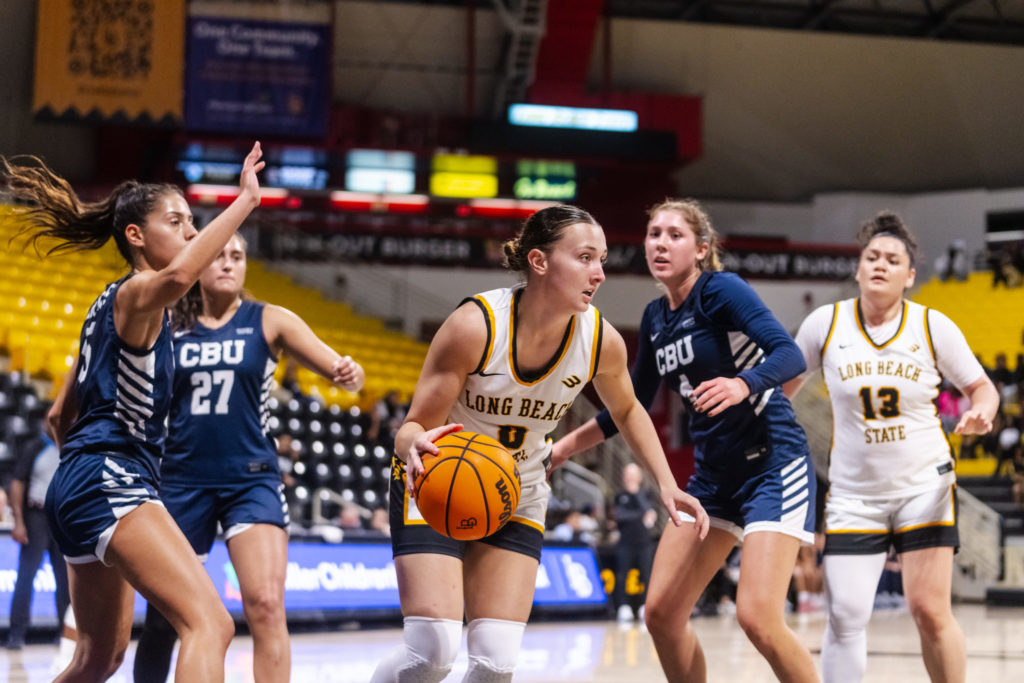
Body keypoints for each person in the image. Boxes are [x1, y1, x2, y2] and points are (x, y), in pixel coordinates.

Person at [370, 204, 709, 683]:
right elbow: (410, 427)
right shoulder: (475, 326)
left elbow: (628, 408)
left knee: (494, 663)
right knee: (432, 652)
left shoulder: (600, 341)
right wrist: (412, 443)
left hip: (518, 491)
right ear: (540, 261)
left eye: (603, 260)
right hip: (436, 480)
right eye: (586, 257)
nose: (599, 274)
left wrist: (666, 483)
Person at [2, 141, 265, 681]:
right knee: (210, 626)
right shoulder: (142, 293)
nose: (192, 233)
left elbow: (58, 418)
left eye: (193, 221)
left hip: (82, 484)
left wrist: (82, 469)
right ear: (136, 236)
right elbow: (177, 278)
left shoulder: (107, 305)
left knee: (98, 659)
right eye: (178, 221)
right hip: (111, 478)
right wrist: (244, 202)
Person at [550, 198, 819, 682]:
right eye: (654, 233)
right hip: (714, 478)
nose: (660, 243)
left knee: (757, 618)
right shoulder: (655, 318)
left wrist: (744, 383)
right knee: (662, 615)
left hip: (772, 465)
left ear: (701, 249)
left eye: (675, 234)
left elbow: (790, 355)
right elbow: (630, 406)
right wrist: (566, 447)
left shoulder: (722, 291)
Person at [132, 232, 364, 683]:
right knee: (164, 617)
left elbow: (344, 375)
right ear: (197, 266)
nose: (228, 263)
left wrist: (349, 373)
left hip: (251, 479)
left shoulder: (269, 319)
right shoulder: (167, 325)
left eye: (237, 256)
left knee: (265, 605)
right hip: (180, 480)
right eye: (218, 255)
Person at [787, 211, 999, 683]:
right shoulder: (826, 322)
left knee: (928, 610)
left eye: (892, 259)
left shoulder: (931, 325)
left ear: (910, 276)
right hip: (853, 495)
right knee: (844, 616)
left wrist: (982, 410)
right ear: (859, 269)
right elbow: (782, 388)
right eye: (872, 257)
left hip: (923, 485)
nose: (880, 265)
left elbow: (983, 388)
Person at [5, 417, 70, 650]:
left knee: (66, 581)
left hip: (61, 520)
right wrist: (19, 522)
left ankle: (65, 634)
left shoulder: (70, 447)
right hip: (36, 517)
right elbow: (17, 483)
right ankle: (16, 634)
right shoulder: (35, 447)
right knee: (26, 577)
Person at [610, 462, 657, 623]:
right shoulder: (619, 496)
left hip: (644, 543)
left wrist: (636, 495)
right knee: (623, 574)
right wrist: (640, 516)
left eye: (633, 474)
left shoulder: (646, 494)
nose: (629, 478)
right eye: (627, 474)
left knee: (646, 574)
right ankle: (624, 607)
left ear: (639, 477)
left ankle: (646, 606)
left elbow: (649, 511)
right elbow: (620, 516)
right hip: (625, 543)